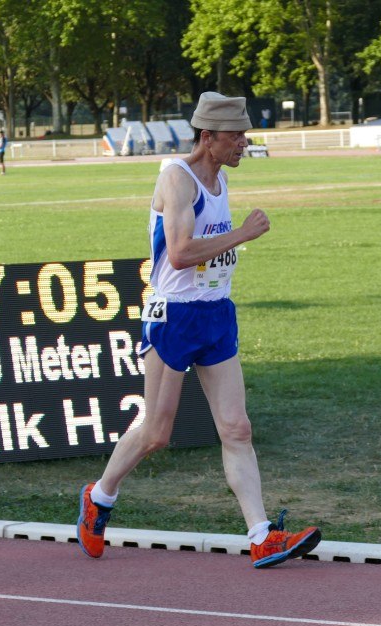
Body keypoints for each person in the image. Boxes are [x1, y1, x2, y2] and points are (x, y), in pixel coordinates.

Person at [76, 91, 321, 569]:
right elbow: (181, 253)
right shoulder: (176, 178)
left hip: (215, 313)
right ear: (208, 138)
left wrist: (231, 246)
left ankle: (262, 535)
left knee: (237, 427)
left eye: (245, 135)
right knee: (157, 433)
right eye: (235, 137)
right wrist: (243, 234)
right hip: (175, 314)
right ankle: (100, 497)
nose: (244, 144)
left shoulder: (219, 179)